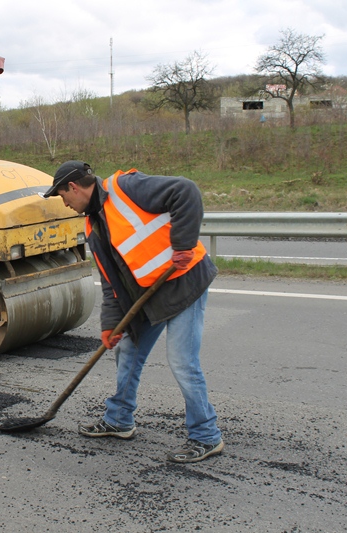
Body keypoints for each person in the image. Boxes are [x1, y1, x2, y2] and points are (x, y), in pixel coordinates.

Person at [42, 161, 223, 463]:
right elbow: (112, 284)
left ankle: (207, 436)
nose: (65, 204)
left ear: (74, 187)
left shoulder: (126, 189)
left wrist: (182, 244)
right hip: (148, 296)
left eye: (63, 196)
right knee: (127, 350)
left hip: (184, 282)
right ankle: (119, 419)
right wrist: (111, 324)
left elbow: (185, 190)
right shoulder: (93, 226)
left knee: (181, 362)